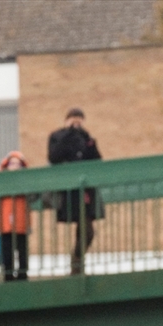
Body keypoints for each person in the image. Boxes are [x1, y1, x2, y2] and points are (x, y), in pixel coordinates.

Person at [48, 108, 103, 275]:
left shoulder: (86, 138)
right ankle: (77, 266)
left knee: (86, 229)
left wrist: (88, 141)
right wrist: (68, 135)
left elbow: (96, 160)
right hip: (68, 191)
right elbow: (54, 157)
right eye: (73, 119)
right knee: (84, 227)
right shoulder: (57, 136)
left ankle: (76, 264)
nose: (76, 123)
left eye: (79, 120)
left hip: (85, 191)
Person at [0, 151, 30, 281]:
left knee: (22, 250)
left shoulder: (25, 182)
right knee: (7, 251)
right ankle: (8, 275)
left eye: (18, 164)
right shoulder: (0, 182)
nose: (15, 167)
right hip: (5, 222)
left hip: (22, 222)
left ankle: (23, 275)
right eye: (12, 163)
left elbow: (33, 196)